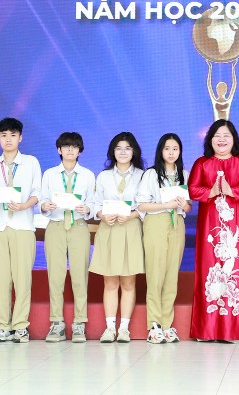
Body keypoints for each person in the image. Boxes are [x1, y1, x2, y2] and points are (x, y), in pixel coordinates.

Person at [188, 119, 239, 342]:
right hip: (209, 227)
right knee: (208, 270)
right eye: (217, 136)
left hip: (236, 224)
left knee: (234, 269)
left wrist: (232, 190)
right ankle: (206, 331)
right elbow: (192, 189)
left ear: (234, 139)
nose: (221, 139)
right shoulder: (202, 163)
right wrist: (210, 192)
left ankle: (234, 331)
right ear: (210, 140)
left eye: (226, 135)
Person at [0, 118, 41, 343]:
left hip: (23, 226)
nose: (8, 139)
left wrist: (25, 205)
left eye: (13, 135)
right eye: (4, 135)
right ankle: (3, 326)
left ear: (20, 137)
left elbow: (37, 192)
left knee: (22, 278)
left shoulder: (30, 162)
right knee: (0, 279)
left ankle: (20, 326)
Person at [39, 132, 95, 343]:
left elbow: (94, 202)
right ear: (59, 150)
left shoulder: (88, 175)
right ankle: (57, 323)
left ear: (80, 151)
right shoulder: (50, 174)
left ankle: (79, 322)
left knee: (80, 275)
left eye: (74, 147)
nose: (70, 150)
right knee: (55, 276)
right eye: (66, 146)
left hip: (79, 226)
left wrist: (87, 208)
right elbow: (42, 199)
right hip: (55, 226)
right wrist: (45, 205)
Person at [90, 132, 145, 343]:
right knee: (111, 282)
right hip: (109, 229)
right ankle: (109, 328)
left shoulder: (142, 175)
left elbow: (146, 204)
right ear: (112, 152)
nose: (123, 152)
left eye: (127, 148)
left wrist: (132, 215)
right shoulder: (103, 176)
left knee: (128, 282)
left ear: (134, 151)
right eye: (119, 148)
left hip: (130, 229)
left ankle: (124, 329)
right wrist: (102, 214)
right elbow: (95, 204)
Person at [136, 133, 192, 344]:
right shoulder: (151, 174)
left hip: (177, 223)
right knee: (156, 274)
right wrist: (166, 205)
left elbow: (188, 206)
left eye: (175, 149)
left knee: (171, 275)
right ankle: (154, 325)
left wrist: (184, 205)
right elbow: (141, 205)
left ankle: (167, 325)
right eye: (167, 148)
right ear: (160, 150)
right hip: (156, 222)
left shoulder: (183, 174)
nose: (171, 152)